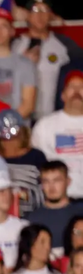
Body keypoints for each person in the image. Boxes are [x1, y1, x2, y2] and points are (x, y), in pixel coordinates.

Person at [12, 0, 83, 120]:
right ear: (27, 15)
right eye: (35, 10)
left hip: (50, 118)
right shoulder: (15, 44)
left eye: (45, 10)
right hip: (21, 117)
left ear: (51, 15)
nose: (40, 15)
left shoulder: (64, 45)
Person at [31, 70, 83, 198]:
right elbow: (35, 163)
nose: (77, 91)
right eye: (71, 87)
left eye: (82, 87)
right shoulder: (44, 125)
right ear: (62, 95)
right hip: (56, 198)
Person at [0, 9, 37, 118]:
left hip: (16, 128)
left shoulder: (26, 64)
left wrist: (6, 124)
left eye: (4, 26)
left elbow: (28, 105)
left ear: (12, 31)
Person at [27, 162, 83, 255]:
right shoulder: (32, 219)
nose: (51, 187)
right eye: (46, 181)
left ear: (68, 181)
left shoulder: (80, 212)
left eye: (57, 180)